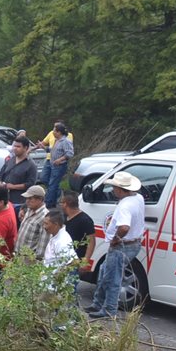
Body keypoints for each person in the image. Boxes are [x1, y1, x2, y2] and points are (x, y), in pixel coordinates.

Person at [87, 171, 145, 319]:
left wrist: (116, 238)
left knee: (112, 278)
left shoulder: (124, 206)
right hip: (133, 243)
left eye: (114, 188)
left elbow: (124, 227)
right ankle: (98, 303)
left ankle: (108, 310)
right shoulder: (138, 198)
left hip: (122, 246)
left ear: (120, 189)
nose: (113, 190)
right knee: (104, 271)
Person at [61, 191, 95, 297]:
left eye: (62, 202)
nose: (60, 205)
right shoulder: (64, 217)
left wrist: (85, 261)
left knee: (70, 292)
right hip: (62, 259)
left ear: (66, 203)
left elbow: (91, 241)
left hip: (75, 261)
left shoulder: (85, 220)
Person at [0, 135, 38, 217]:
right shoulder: (10, 160)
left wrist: (13, 187)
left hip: (18, 202)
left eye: (18, 146)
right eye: (14, 146)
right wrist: (0, 183)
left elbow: (30, 184)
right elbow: (0, 175)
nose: (15, 148)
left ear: (26, 148)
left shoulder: (31, 165)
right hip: (4, 200)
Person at [14, 185, 50, 259]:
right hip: (18, 257)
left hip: (28, 263)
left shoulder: (45, 217)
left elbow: (42, 249)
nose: (27, 201)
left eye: (30, 198)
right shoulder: (30, 209)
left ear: (40, 199)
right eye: (27, 198)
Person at [43, 122, 73, 208]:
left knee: (53, 184)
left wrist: (60, 160)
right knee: (47, 180)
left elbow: (70, 153)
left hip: (59, 166)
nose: (53, 132)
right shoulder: (57, 140)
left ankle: (48, 203)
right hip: (53, 164)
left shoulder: (66, 141)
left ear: (59, 132)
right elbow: (53, 150)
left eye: (54, 131)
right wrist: (44, 147)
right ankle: (53, 200)